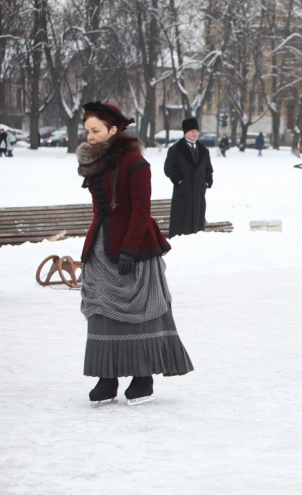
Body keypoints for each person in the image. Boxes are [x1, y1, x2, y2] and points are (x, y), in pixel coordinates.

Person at [76, 101, 193, 406]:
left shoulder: (134, 162)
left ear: (112, 130)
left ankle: (143, 377)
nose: (89, 135)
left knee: (142, 310)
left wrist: (128, 250)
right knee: (101, 308)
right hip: (102, 244)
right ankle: (107, 377)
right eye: (87, 130)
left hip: (134, 246)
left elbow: (142, 209)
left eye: (95, 130)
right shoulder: (95, 162)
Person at [164, 117, 213, 237]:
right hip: (183, 193)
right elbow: (168, 168)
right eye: (192, 131)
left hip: (198, 193)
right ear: (186, 132)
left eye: (196, 131)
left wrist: (207, 181)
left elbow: (208, 169)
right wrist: (179, 181)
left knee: (197, 224)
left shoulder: (203, 150)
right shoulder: (176, 149)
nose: (195, 133)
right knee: (182, 225)